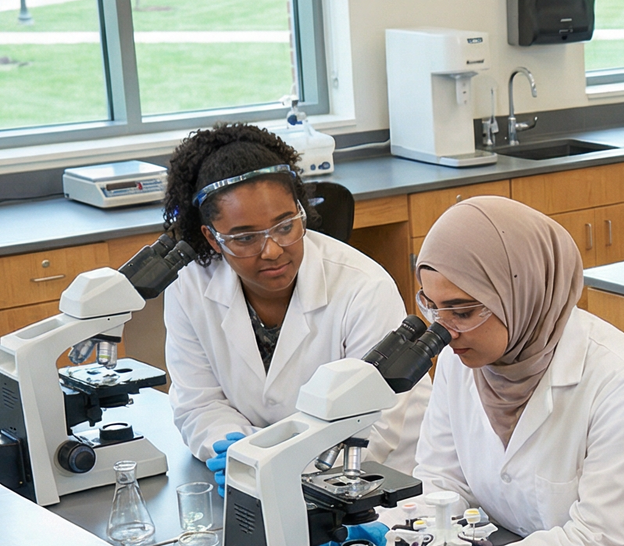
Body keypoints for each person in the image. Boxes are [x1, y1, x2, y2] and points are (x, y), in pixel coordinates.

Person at [360, 196, 624, 546]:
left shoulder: (622, 379)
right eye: (433, 306)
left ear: (519, 290)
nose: (444, 330)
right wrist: (393, 531)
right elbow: (445, 481)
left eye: (462, 310)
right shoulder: (466, 360)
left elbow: (598, 543)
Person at [162, 123, 428, 500]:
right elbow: (199, 402)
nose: (271, 250)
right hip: (259, 485)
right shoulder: (189, 285)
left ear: (302, 212)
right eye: (245, 237)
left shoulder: (364, 287)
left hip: (379, 488)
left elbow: (375, 427)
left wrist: (271, 466)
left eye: (285, 226)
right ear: (211, 238)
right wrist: (236, 450)